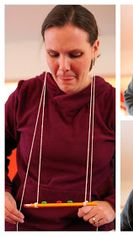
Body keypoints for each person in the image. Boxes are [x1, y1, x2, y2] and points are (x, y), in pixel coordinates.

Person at [5, 5, 115, 231]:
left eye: (75, 55)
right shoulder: (24, 95)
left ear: (95, 48)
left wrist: (111, 205)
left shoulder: (110, 103)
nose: (63, 67)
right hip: (22, 226)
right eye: (53, 54)